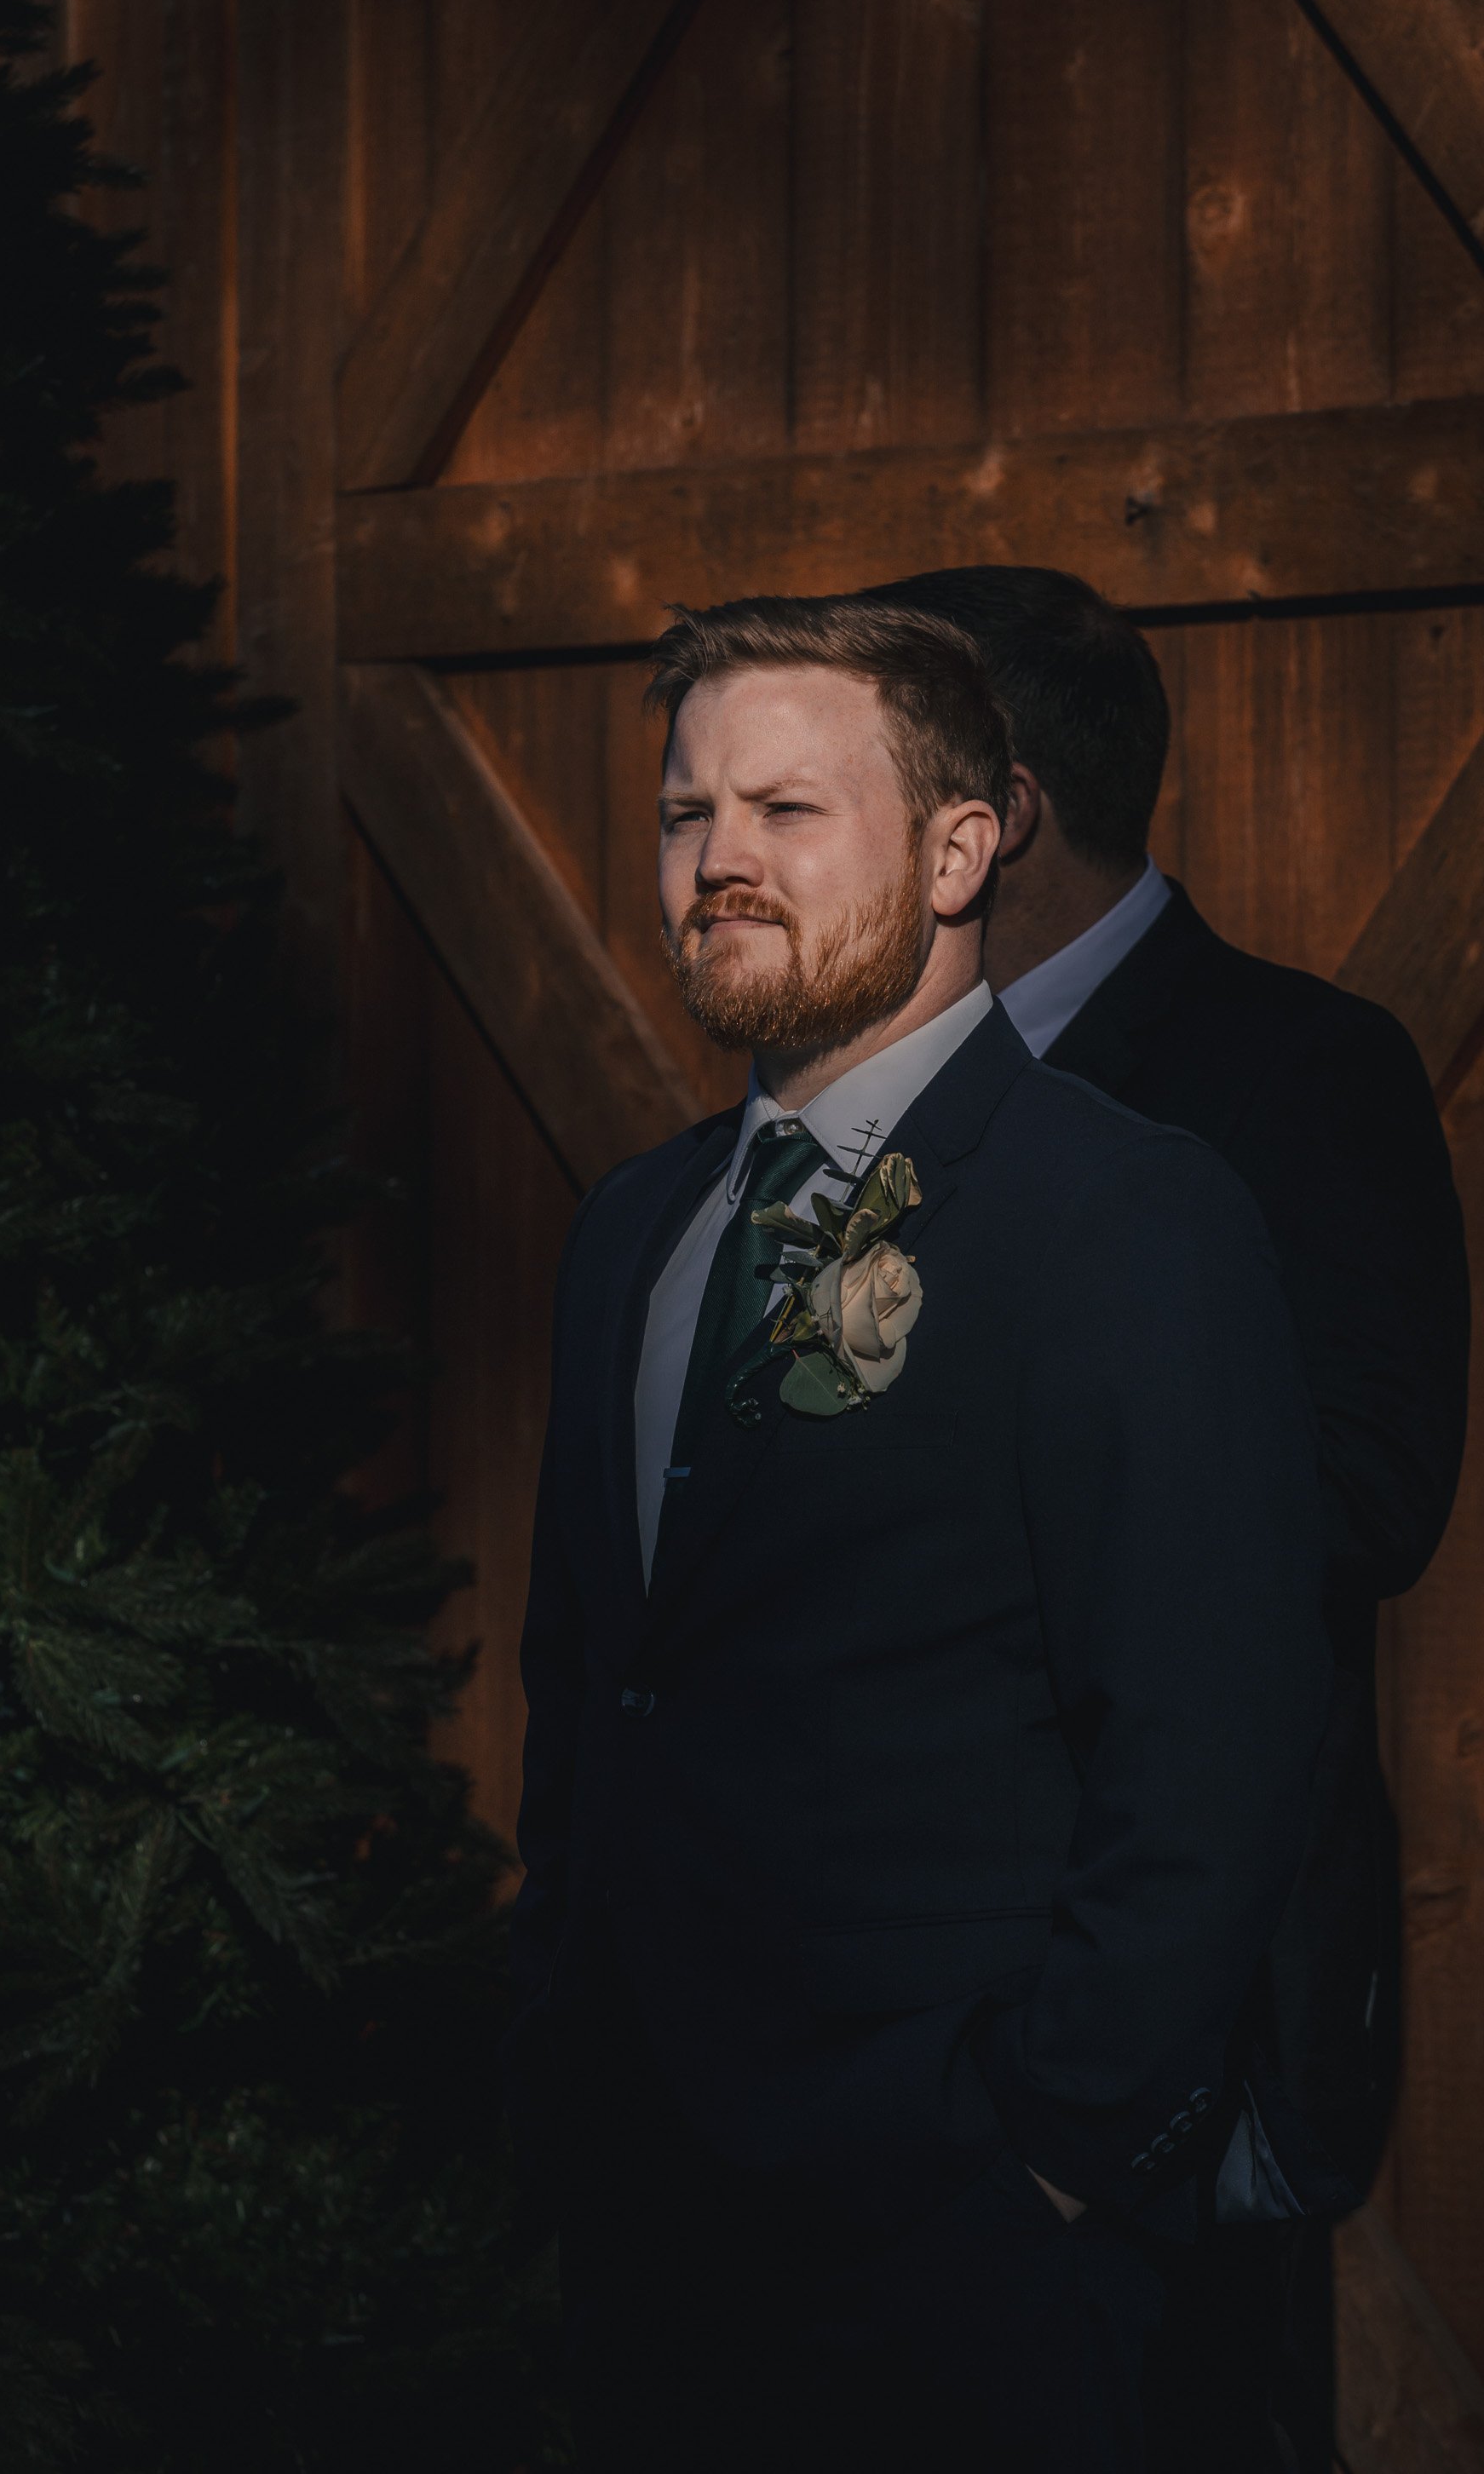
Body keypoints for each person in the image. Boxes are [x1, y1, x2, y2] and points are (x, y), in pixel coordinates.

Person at [505, 590, 1332, 2472]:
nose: (719, 862)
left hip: (961, 2248)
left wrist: (1049, 2155)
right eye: (685, 814)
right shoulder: (631, 1233)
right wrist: (553, 2037)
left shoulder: (1122, 1219)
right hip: (647, 2230)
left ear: (966, 846)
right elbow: (597, 1690)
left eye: (788, 812)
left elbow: (1211, 1748)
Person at [868, 563, 1470, 2472]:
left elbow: (1367, 1490)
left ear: (1001, 810)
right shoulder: (848, 1086)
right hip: (873, 2002)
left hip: (1158, 2008)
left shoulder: (1295, 1074)